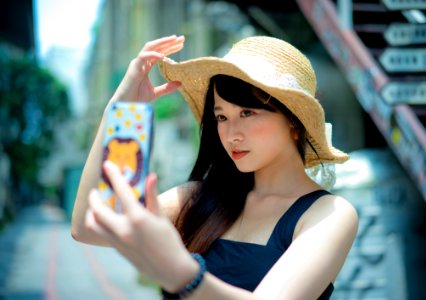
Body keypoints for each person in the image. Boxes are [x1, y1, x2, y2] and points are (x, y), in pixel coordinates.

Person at [71, 35, 358, 300]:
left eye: (247, 113)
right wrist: (120, 115)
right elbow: (90, 226)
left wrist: (182, 273)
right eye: (221, 117)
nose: (231, 133)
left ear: (294, 122)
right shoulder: (198, 199)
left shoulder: (328, 215)